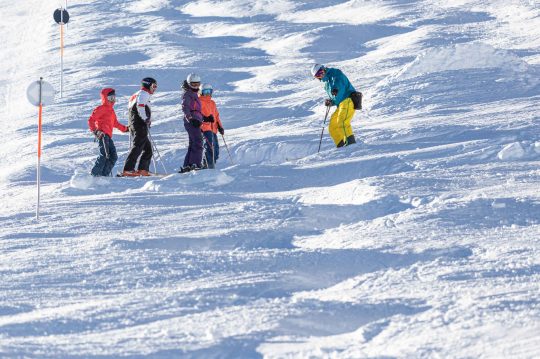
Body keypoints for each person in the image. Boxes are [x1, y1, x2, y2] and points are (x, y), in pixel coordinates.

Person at [311, 64, 357, 147]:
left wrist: (336, 89)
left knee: (342, 121)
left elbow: (338, 84)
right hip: (340, 104)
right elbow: (335, 97)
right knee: (333, 126)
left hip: (348, 99)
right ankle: (341, 146)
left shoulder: (335, 73)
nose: (320, 76)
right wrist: (331, 102)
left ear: (324, 69)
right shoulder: (327, 85)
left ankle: (351, 144)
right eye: (318, 75)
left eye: (320, 72)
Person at [87, 88, 128, 176]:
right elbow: (91, 120)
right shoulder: (101, 108)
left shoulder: (111, 111)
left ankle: (104, 175)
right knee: (104, 155)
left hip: (108, 137)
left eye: (113, 98)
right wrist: (96, 131)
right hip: (102, 135)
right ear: (105, 98)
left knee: (113, 156)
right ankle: (94, 175)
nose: (112, 100)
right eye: (110, 98)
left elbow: (115, 123)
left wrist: (126, 129)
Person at [121, 77, 157, 177]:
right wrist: (145, 118)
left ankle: (143, 170)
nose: (155, 89)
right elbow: (140, 106)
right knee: (137, 147)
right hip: (139, 124)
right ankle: (128, 169)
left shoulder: (138, 94)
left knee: (147, 149)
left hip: (136, 124)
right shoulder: (143, 94)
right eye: (153, 86)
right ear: (148, 85)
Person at [179, 73, 213, 173]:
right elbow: (185, 108)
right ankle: (195, 164)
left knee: (193, 143)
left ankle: (188, 165)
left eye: (198, 84)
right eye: (193, 84)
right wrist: (191, 119)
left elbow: (197, 111)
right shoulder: (187, 94)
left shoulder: (194, 94)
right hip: (191, 122)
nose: (196, 86)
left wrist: (205, 118)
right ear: (189, 84)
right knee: (198, 142)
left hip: (195, 121)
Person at [199, 83, 224, 169]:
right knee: (209, 148)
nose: (208, 93)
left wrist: (220, 126)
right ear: (201, 92)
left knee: (216, 150)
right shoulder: (199, 101)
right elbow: (198, 114)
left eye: (209, 91)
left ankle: (211, 164)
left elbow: (216, 116)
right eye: (205, 91)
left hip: (213, 129)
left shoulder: (212, 103)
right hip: (205, 128)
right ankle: (207, 165)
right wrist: (204, 119)